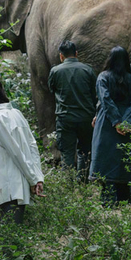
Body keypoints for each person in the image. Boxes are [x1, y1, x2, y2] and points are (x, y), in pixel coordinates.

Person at [0, 73, 44, 260]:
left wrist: (34, 179)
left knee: (7, 242)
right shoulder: (16, 113)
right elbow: (32, 146)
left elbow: (16, 152)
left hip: (7, 189)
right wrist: (37, 177)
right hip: (12, 188)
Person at [89, 46, 131, 207]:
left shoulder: (103, 77)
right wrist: (125, 122)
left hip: (107, 121)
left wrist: (116, 121)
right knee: (123, 157)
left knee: (106, 158)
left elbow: (105, 99)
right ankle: (125, 197)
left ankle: (108, 199)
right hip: (126, 123)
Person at [47, 40, 97, 180]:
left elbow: (52, 89)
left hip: (65, 118)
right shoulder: (88, 70)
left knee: (67, 153)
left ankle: (68, 186)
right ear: (76, 54)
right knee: (85, 151)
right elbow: (95, 93)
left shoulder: (55, 71)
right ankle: (83, 182)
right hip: (86, 118)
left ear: (61, 56)